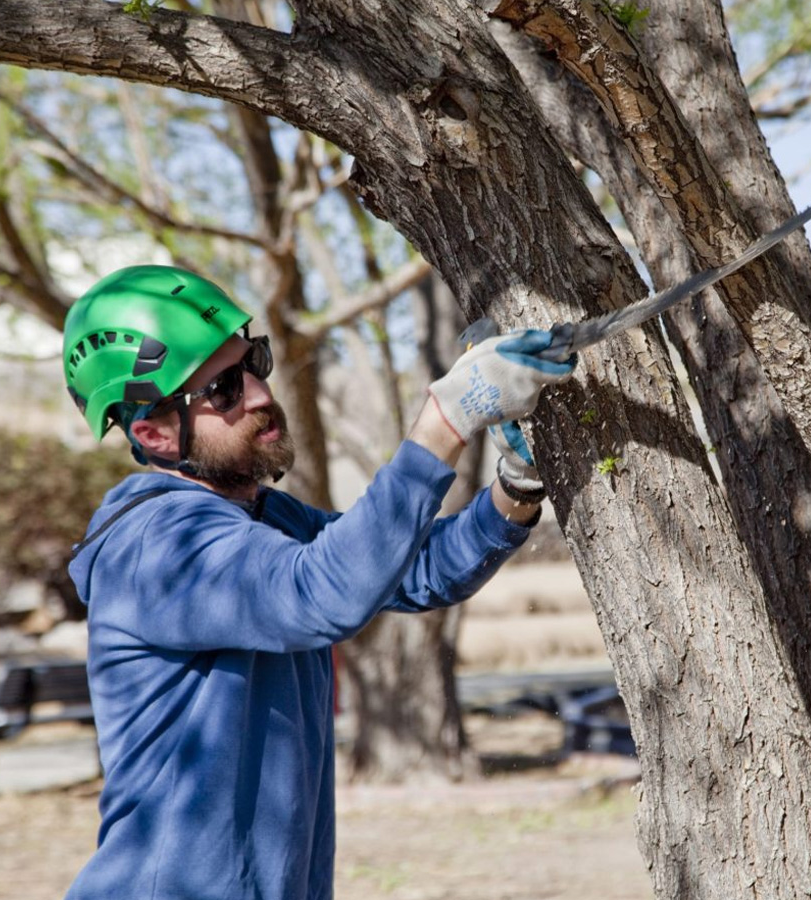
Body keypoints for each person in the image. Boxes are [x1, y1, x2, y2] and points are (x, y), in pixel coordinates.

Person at [60, 265, 575, 900]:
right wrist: (443, 422)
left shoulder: (263, 517)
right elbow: (319, 596)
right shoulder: (157, 544)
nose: (257, 394)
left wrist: (516, 488)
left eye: (254, 361)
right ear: (154, 433)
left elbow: (410, 569)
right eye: (222, 388)